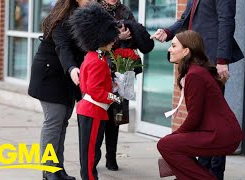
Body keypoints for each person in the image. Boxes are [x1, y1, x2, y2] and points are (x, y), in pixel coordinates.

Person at [150, 0, 244, 179]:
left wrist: (222, 59)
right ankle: (199, 171)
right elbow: (185, 20)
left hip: (211, 58)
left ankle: (214, 174)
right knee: (204, 121)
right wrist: (168, 32)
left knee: (213, 122)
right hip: (197, 56)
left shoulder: (199, 73)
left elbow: (226, 21)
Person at [28, 0, 90, 179]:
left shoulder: (86, 14)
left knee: (62, 123)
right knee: (53, 123)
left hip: (67, 78)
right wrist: (72, 68)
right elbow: (63, 48)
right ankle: (48, 171)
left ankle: (57, 168)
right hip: (50, 75)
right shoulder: (63, 18)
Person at [98, 0, 154, 171]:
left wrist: (131, 37)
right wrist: (117, 38)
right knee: (99, 116)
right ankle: (92, 157)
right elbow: (92, 41)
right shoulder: (96, 10)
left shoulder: (125, 11)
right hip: (100, 72)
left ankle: (111, 157)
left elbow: (135, 39)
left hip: (121, 73)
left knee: (116, 117)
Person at [69, 3, 121, 180]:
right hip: (94, 110)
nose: (114, 41)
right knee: (91, 153)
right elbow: (95, 90)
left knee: (89, 152)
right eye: (112, 39)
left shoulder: (91, 57)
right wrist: (114, 96)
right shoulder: (98, 61)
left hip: (88, 109)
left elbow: (87, 86)